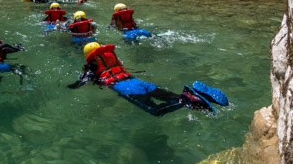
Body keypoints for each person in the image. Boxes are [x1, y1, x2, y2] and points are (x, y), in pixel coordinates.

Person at [69, 42, 228, 116]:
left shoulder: (91, 68)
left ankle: (187, 100)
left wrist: (71, 87)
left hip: (128, 89)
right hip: (139, 82)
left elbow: (80, 84)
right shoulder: (113, 58)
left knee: (156, 111)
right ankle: (201, 98)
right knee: (173, 97)